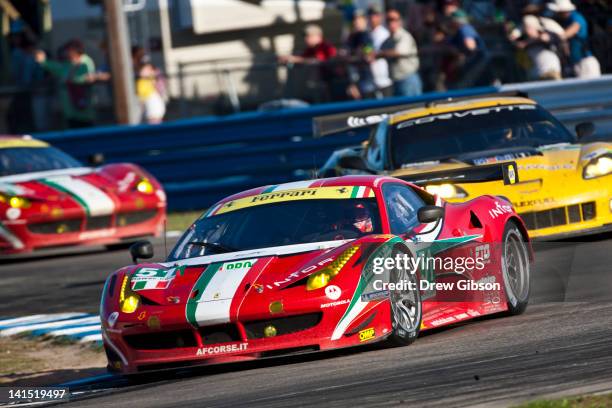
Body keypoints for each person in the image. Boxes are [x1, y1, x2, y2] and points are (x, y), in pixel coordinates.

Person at [35, 39, 96, 128]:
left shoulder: (85, 62)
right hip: (71, 111)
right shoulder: (69, 64)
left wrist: (71, 81)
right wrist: (43, 62)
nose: (66, 53)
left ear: (75, 50)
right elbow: (58, 68)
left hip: (84, 109)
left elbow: (86, 78)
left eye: (68, 50)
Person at [278, 25, 340, 100]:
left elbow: (318, 61)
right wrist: (288, 60)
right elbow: (303, 59)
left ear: (318, 36)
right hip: (320, 84)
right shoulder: (310, 50)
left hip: (333, 82)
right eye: (305, 36)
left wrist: (295, 59)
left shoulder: (326, 47)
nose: (306, 39)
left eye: (309, 36)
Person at [547, 0, 601, 78]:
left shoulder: (576, 17)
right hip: (574, 63)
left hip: (585, 62)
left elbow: (567, 33)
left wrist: (552, 35)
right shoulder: (565, 20)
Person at [378, 9, 422, 97]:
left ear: (400, 21)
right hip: (395, 81)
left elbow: (397, 52)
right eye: (388, 20)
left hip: (408, 79)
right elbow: (379, 51)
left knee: (412, 109)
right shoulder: (387, 41)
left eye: (394, 19)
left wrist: (379, 54)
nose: (391, 22)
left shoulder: (404, 36)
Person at [446, 9, 491, 88]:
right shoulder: (462, 30)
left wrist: (458, 52)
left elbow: (470, 46)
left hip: (476, 64)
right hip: (476, 63)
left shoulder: (464, 29)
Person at [510, 15, 564, 80]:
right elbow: (515, 43)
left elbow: (548, 38)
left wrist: (527, 43)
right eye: (525, 28)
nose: (527, 30)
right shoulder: (523, 41)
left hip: (550, 72)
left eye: (529, 27)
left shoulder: (547, 35)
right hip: (535, 75)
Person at [345, 11, 376, 99]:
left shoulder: (367, 35)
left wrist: (364, 52)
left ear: (365, 21)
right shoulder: (351, 37)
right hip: (356, 77)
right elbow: (349, 56)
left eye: (359, 19)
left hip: (367, 78)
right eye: (355, 20)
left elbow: (368, 52)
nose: (356, 22)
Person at [367, 6, 392, 97]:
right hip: (372, 80)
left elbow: (378, 52)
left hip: (385, 79)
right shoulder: (369, 34)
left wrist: (372, 54)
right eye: (371, 16)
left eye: (376, 16)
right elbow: (368, 50)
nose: (373, 19)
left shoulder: (384, 33)